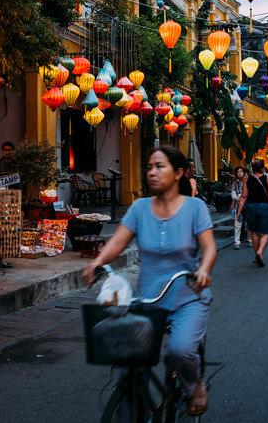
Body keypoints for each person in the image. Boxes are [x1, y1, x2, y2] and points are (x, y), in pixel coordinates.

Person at [82, 146, 216, 416]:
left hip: (187, 297)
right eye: (150, 167)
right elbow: (117, 242)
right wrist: (98, 262)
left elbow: (209, 247)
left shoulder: (195, 207)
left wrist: (203, 270)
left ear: (178, 173)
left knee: (180, 351)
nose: (152, 172)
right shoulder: (140, 208)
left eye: (160, 166)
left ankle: (195, 386)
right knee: (126, 362)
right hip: (147, 300)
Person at [236, 159, 268, 268]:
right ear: (262, 168)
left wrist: (239, 211)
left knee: (254, 232)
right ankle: (260, 251)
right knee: (266, 233)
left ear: (252, 169)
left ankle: (256, 256)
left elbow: (244, 196)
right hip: (265, 207)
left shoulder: (247, 179)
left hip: (251, 207)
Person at [230, 166, 247, 249]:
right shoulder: (235, 184)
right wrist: (241, 196)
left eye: (241, 171)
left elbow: (248, 195)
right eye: (238, 172)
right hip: (238, 206)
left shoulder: (248, 182)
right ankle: (237, 242)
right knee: (237, 224)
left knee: (249, 222)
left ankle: (250, 239)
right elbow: (233, 196)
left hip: (247, 205)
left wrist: (239, 195)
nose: (239, 173)